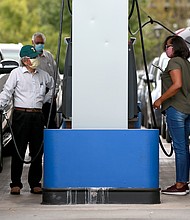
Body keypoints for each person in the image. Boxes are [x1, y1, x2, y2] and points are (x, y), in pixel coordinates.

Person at [0, 45, 54, 195]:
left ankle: (35, 183)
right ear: (25, 60)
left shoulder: (43, 75)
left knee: (37, 150)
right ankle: (15, 183)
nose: (36, 59)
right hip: (21, 115)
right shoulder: (16, 74)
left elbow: (53, 86)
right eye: (33, 57)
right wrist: (0, 105)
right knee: (19, 148)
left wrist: (45, 100)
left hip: (37, 115)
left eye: (36, 56)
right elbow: (7, 92)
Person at [153, 35, 190, 195]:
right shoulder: (187, 64)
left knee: (180, 148)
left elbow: (177, 85)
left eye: (168, 46)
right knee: (184, 148)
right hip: (187, 108)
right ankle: (184, 181)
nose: (166, 48)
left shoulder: (174, 62)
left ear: (175, 47)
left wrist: (159, 100)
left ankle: (180, 184)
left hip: (176, 108)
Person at [32, 32, 61, 128]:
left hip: (49, 93)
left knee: (50, 123)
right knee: (36, 125)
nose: (39, 45)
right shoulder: (29, 57)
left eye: (41, 43)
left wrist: (54, 93)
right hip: (35, 95)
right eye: (37, 43)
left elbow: (56, 77)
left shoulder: (49, 57)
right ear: (33, 42)